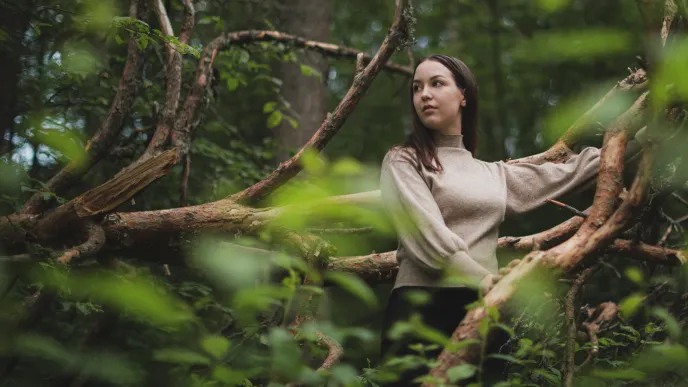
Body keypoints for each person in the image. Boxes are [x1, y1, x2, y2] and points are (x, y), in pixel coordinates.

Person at [378, 54, 602, 386]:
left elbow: (569, 173)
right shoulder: (403, 160)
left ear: (463, 94)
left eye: (436, 83)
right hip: (421, 306)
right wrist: (487, 280)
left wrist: (636, 136)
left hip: (485, 307)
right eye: (416, 87)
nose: (424, 94)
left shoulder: (492, 174)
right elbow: (425, 234)